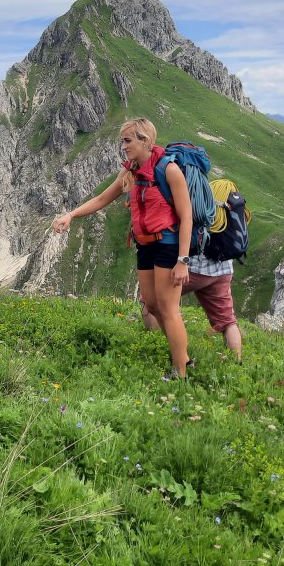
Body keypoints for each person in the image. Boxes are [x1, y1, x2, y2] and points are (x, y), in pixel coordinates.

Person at [53, 118, 193, 378]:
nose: (123, 146)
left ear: (145, 140)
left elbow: (187, 216)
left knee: (168, 308)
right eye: (122, 141)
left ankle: (181, 371)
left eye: (128, 141)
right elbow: (102, 198)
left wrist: (182, 260)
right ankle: (181, 355)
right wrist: (71, 215)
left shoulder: (170, 170)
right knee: (152, 304)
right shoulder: (130, 171)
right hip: (145, 245)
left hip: (168, 244)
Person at [139, 253, 243, 362]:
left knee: (151, 297)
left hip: (190, 269)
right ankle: (236, 363)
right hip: (222, 268)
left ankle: (155, 342)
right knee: (227, 321)